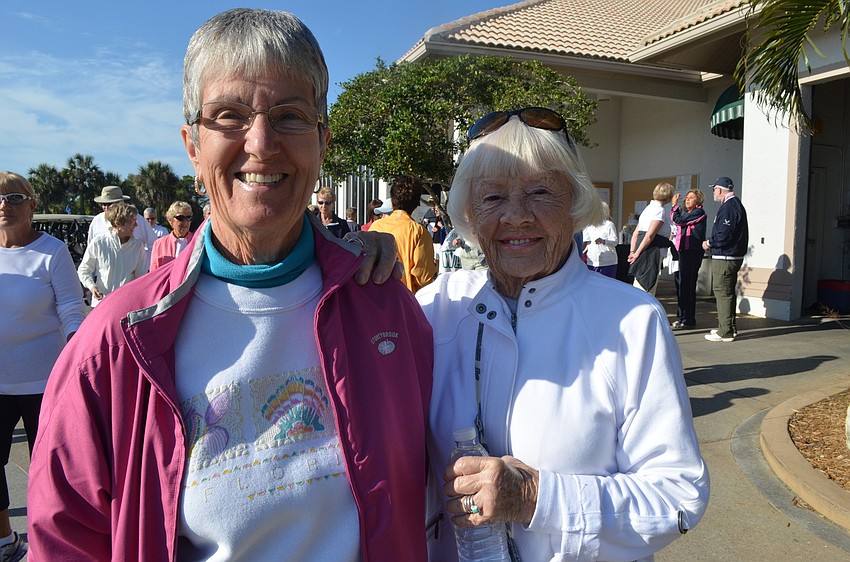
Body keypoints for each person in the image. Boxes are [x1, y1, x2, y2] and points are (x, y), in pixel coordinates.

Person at [28, 9, 431, 562]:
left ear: (322, 142)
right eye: (228, 116)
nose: (261, 143)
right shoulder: (116, 345)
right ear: (192, 145)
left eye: (289, 115)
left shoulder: (387, 310)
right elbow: (64, 542)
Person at [417, 107, 709, 561]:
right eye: (492, 198)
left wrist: (537, 497)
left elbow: (678, 497)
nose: (516, 216)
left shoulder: (631, 320)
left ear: (574, 204)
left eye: (540, 192)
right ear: (469, 215)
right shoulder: (437, 308)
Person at [0, 172, 85, 562]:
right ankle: (5, 538)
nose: (4, 205)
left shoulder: (53, 251)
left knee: (49, 469)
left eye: (14, 197)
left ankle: (48, 542)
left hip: (45, 381)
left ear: (32, 205)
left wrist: (78, 353)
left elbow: (71, 308)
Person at [368, 175, 438, 293]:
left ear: (392, 200)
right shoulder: (419, 232)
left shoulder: (375, 226)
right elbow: (423, 278)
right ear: (416, 203)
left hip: (375, 299)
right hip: (405, 301)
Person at [702, 176, 748, 342]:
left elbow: (724, 234)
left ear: (720, 190)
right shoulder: (734, 205)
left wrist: (709, 243)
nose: (713, 192)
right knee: (727, 292)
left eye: (714, 189)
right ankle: (729, 328)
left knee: (722, 292)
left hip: (726, 256)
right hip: (731, 255)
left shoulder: (729, 207)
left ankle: (725, 332)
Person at [77, 202, 148, 307]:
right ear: (118, 223)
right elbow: (84, 270)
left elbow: (141, 279)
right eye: (132, 221)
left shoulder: (137, 246)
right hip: (101, 305)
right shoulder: (99, 243)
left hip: (127, 307)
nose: (136, 225)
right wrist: (92, 287)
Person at [88, 186, 157, 268]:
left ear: (121, 203)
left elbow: (154, 245)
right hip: (104, 275)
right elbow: (91, 250)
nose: (106, 207)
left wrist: (144, 264)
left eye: (109, 204)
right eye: (103, 204)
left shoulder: (137, 219)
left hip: (132, 275)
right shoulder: (97, 221)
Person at [627, 181, 676, 294]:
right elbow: (650, 235)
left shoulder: (647, 209)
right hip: (651, 252)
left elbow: (636, 233)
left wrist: (632, 251)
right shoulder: (659, 211)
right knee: (647, 286)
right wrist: (636, 253)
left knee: (639, 283)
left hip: (641, 248)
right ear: (668, 196)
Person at [670, 189, 707, 329]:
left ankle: (688, 319)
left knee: (688, 285)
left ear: (698, 200)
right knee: (680, 285)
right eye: (687, 198)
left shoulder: (699, 213)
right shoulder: (688, 214)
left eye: (691, 198)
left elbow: (678, 220)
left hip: (692, 252)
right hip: (682, 251)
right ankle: (681, 317)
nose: (687, 200)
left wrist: (674, 206)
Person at [149, 201, 195, 271]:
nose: (185, 222)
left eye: (188, 218)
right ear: (170, 220)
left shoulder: (197, 241)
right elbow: (154, 273)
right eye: (180, 218)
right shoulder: (159, 244)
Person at [581, 200, 618, 278]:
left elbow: (615, 242)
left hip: (607, 262)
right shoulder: (589, 226)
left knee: (607, 285)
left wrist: (604, 241)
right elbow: (585, 242)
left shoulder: (609, 225)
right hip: (592, 261)